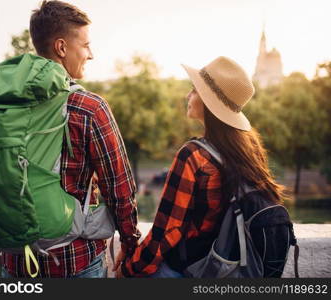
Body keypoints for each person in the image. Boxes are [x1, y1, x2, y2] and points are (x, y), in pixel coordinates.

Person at [0, 0, 141, 278]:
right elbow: (120, 188)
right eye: (86, 45)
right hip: (74, 261)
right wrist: (130, 241)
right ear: (62, 48)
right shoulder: (88, 107)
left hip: (15, 260)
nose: (91, 54)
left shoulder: (5, 105)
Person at [115, 56, 286, 278]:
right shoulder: (249, 150)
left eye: (194, 90)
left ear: (207, 101)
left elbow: (167, 231)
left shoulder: (194, 156)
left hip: (190, 269)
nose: (188, 95)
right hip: (228, 267)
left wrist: (129, 269)